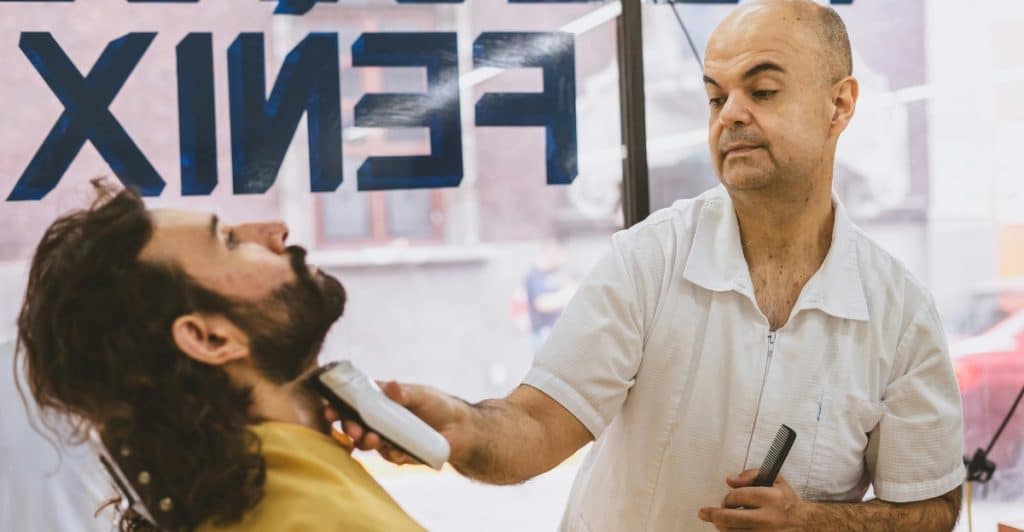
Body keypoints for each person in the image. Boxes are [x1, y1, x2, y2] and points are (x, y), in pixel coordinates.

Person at [343, 1, 966, 530]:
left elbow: (935, 504)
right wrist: (459, 426)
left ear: (839, 105)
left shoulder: (900, 312)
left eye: (763, 90)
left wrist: (814, 521)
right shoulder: (649, 260)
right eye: (717, 96)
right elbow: (534, 427)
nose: (730, 115)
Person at [15, 180, 423, 531]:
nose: (275, 230)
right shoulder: (315, 519)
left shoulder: (282, 492)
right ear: (209, 339)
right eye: (229, 241)